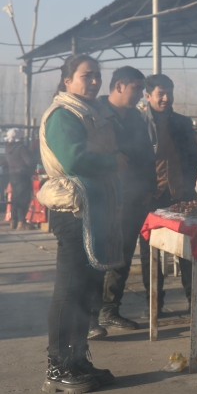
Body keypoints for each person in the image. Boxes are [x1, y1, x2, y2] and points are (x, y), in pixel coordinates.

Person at [38, 54, 124, 393]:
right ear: (67, 81)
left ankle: (77, 360)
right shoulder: (64, 114)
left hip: (95, 209)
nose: (94, 81)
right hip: (73, 212)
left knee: (87, 290)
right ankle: (57, 368)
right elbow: (73, 159)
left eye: (97, 76)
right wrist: (113, 162)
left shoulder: (92, 112)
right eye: (87, 76)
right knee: (70, 289)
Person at [86, 67, 156, 337]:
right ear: (118, 86)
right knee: (98, 258)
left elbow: (146, 157)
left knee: (123, 257)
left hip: (134, 198)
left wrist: (149, 189)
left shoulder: (137, 118)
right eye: (136, 89)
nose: (140, 94)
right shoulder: (97, 114)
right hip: (104, 197)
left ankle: (109, 310)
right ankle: (90, 318)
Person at [140, 74, 197, 315]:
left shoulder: (182, 123)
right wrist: (142, 191)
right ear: (147, 96)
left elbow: (193, 157)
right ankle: (154, 304)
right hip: (151, 197)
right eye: (160, 94)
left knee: (189, 249)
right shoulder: (139, 123)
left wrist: (189, 185)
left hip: (182, 195)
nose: (167, 98)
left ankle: (194, 301)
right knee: (150, 252)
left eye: (170, 93)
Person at [5, 128, 35, 231]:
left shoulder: (8, 148)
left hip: (12, 175)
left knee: (15, 198)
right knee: (24, 199)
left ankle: (14, 220)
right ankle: (21, 222)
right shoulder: (21, 148)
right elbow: (30, 162)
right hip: (23, 175)